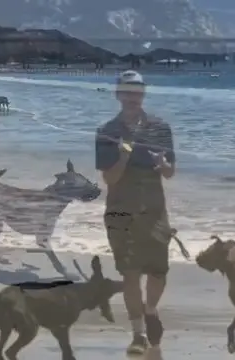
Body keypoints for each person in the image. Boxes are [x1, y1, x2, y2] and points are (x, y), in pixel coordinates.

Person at [95, 70, 175, 355]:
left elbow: (170, 173)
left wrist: (162, 165)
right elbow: (110, 179)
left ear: (143, 94)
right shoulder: (106, 132)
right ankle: (138, 333)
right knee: (130, 274)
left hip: (154, 210)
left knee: (158, 272)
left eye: (136, 92)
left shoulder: (161, 128)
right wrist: (124, 157)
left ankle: (150, 309)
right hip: (120, 212)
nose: (131, 97)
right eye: (126, 92)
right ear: (118, 95)